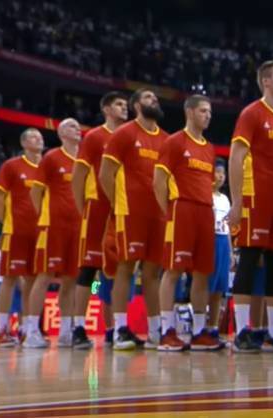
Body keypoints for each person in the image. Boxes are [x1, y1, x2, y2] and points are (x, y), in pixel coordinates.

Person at [227, 60, 273, 352]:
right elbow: (235, 156)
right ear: (266, 81)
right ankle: (242, 331)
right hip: (256, 197)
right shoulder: (252, 113)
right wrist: (237, 201)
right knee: (249, 258)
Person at [99, 89, 168, 350]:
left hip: (158, 214)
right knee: (124, 269)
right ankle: (119, 330)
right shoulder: (124, 133)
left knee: (152, 273)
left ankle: (155, 331)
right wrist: (119, 204)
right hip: (129, 212)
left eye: (155, 97)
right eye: (149, 97)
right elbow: (105, 174)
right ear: (137, 105)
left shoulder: (166, 139)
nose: (155, 100)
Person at [153, 94, 222, 351]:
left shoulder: (209, 148)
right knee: (173, 270)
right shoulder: (174, 142)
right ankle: (166, 331)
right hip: (181, 208)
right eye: (203, 111)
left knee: (202, 272)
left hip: (205, 211)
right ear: (190, 112)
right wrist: (168, 211)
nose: (208, 116)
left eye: (210, 112)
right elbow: (158, 182)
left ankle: (199, 332)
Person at [70, 91, 127, 348]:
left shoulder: (129, 137)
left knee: (115, 271)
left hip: (122, 208)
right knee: (89, 269)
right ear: (106, 109)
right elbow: (78, 177)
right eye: (118, 104)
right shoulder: (94, 137)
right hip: (97, 207)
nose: (124, 108)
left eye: (125, 104)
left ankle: (114, 329)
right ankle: (78, 327)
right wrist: (84, 208)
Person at [25, 118, 82, 349]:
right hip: (53, 226)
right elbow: (35, 192)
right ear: (61, 133)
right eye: (71, 126)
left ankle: (67, 331)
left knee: (72, 279)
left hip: (78, 228)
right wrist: (45, 216)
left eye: (78, 126)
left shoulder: (85, 159)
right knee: (45, 276)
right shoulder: (51, 158)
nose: (77, 129)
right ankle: (31, 331)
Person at [0, 128, 43, 347]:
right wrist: (8, 222)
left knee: (32, 279)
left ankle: (28, 329)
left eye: (40, 137)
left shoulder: (46, 166)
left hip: (40, 232)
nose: (38, 139)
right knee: (9, 278)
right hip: (15, 231)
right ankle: (1, 329)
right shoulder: (12, 166)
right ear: (23, 143)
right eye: (33, 136)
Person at [206, 159, 231, 341]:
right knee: (206, 285)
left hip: (223, 241)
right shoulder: (206, 196)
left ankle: (213, 327)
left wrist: (230, 250)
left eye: (223, 173)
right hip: (210, 240)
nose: (221, 176)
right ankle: (201, 326)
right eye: (218, 172)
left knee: (219, 289)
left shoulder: (225, 199)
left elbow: (228, 227)